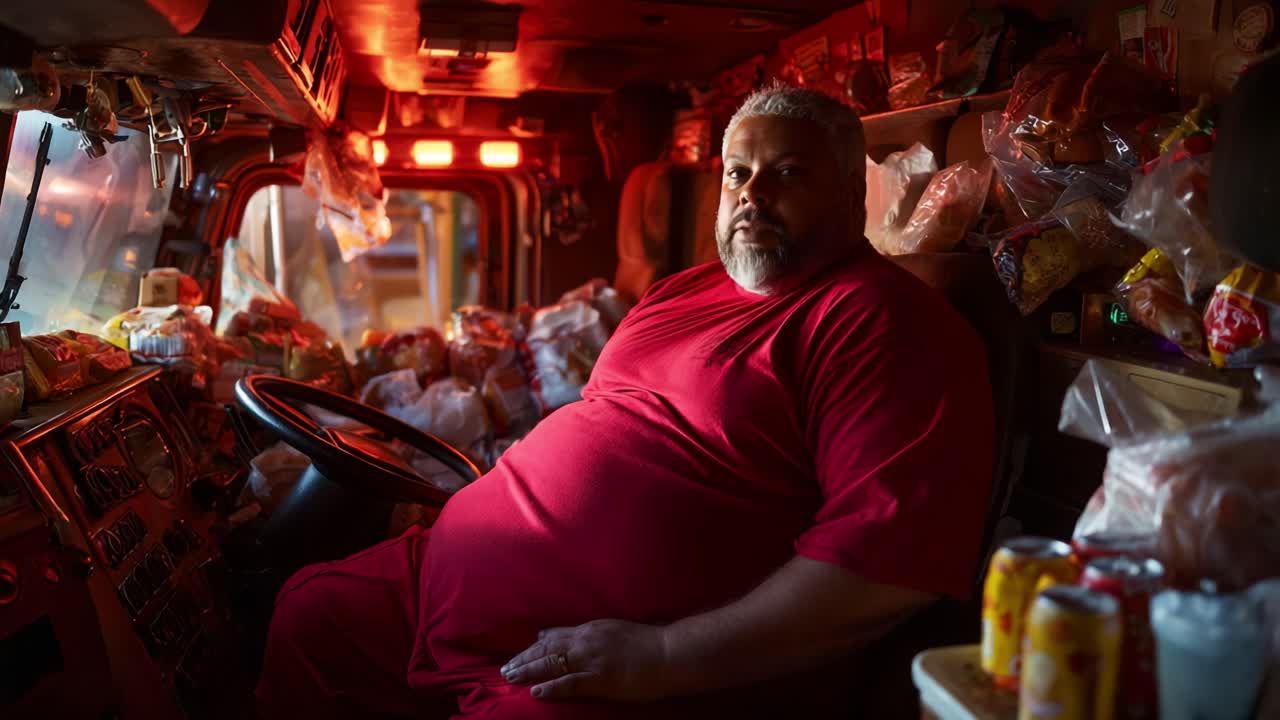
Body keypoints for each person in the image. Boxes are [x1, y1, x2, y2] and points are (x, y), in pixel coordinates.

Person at [256, 84, 994, 719]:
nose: (750, 193)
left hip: (608, 659)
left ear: (846, 191)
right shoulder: (687, 288)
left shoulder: (884, 322)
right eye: (738, 171)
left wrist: (665, 655)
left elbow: (886, 570)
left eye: (787, 172)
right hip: (459, 585)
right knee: (307, 612)